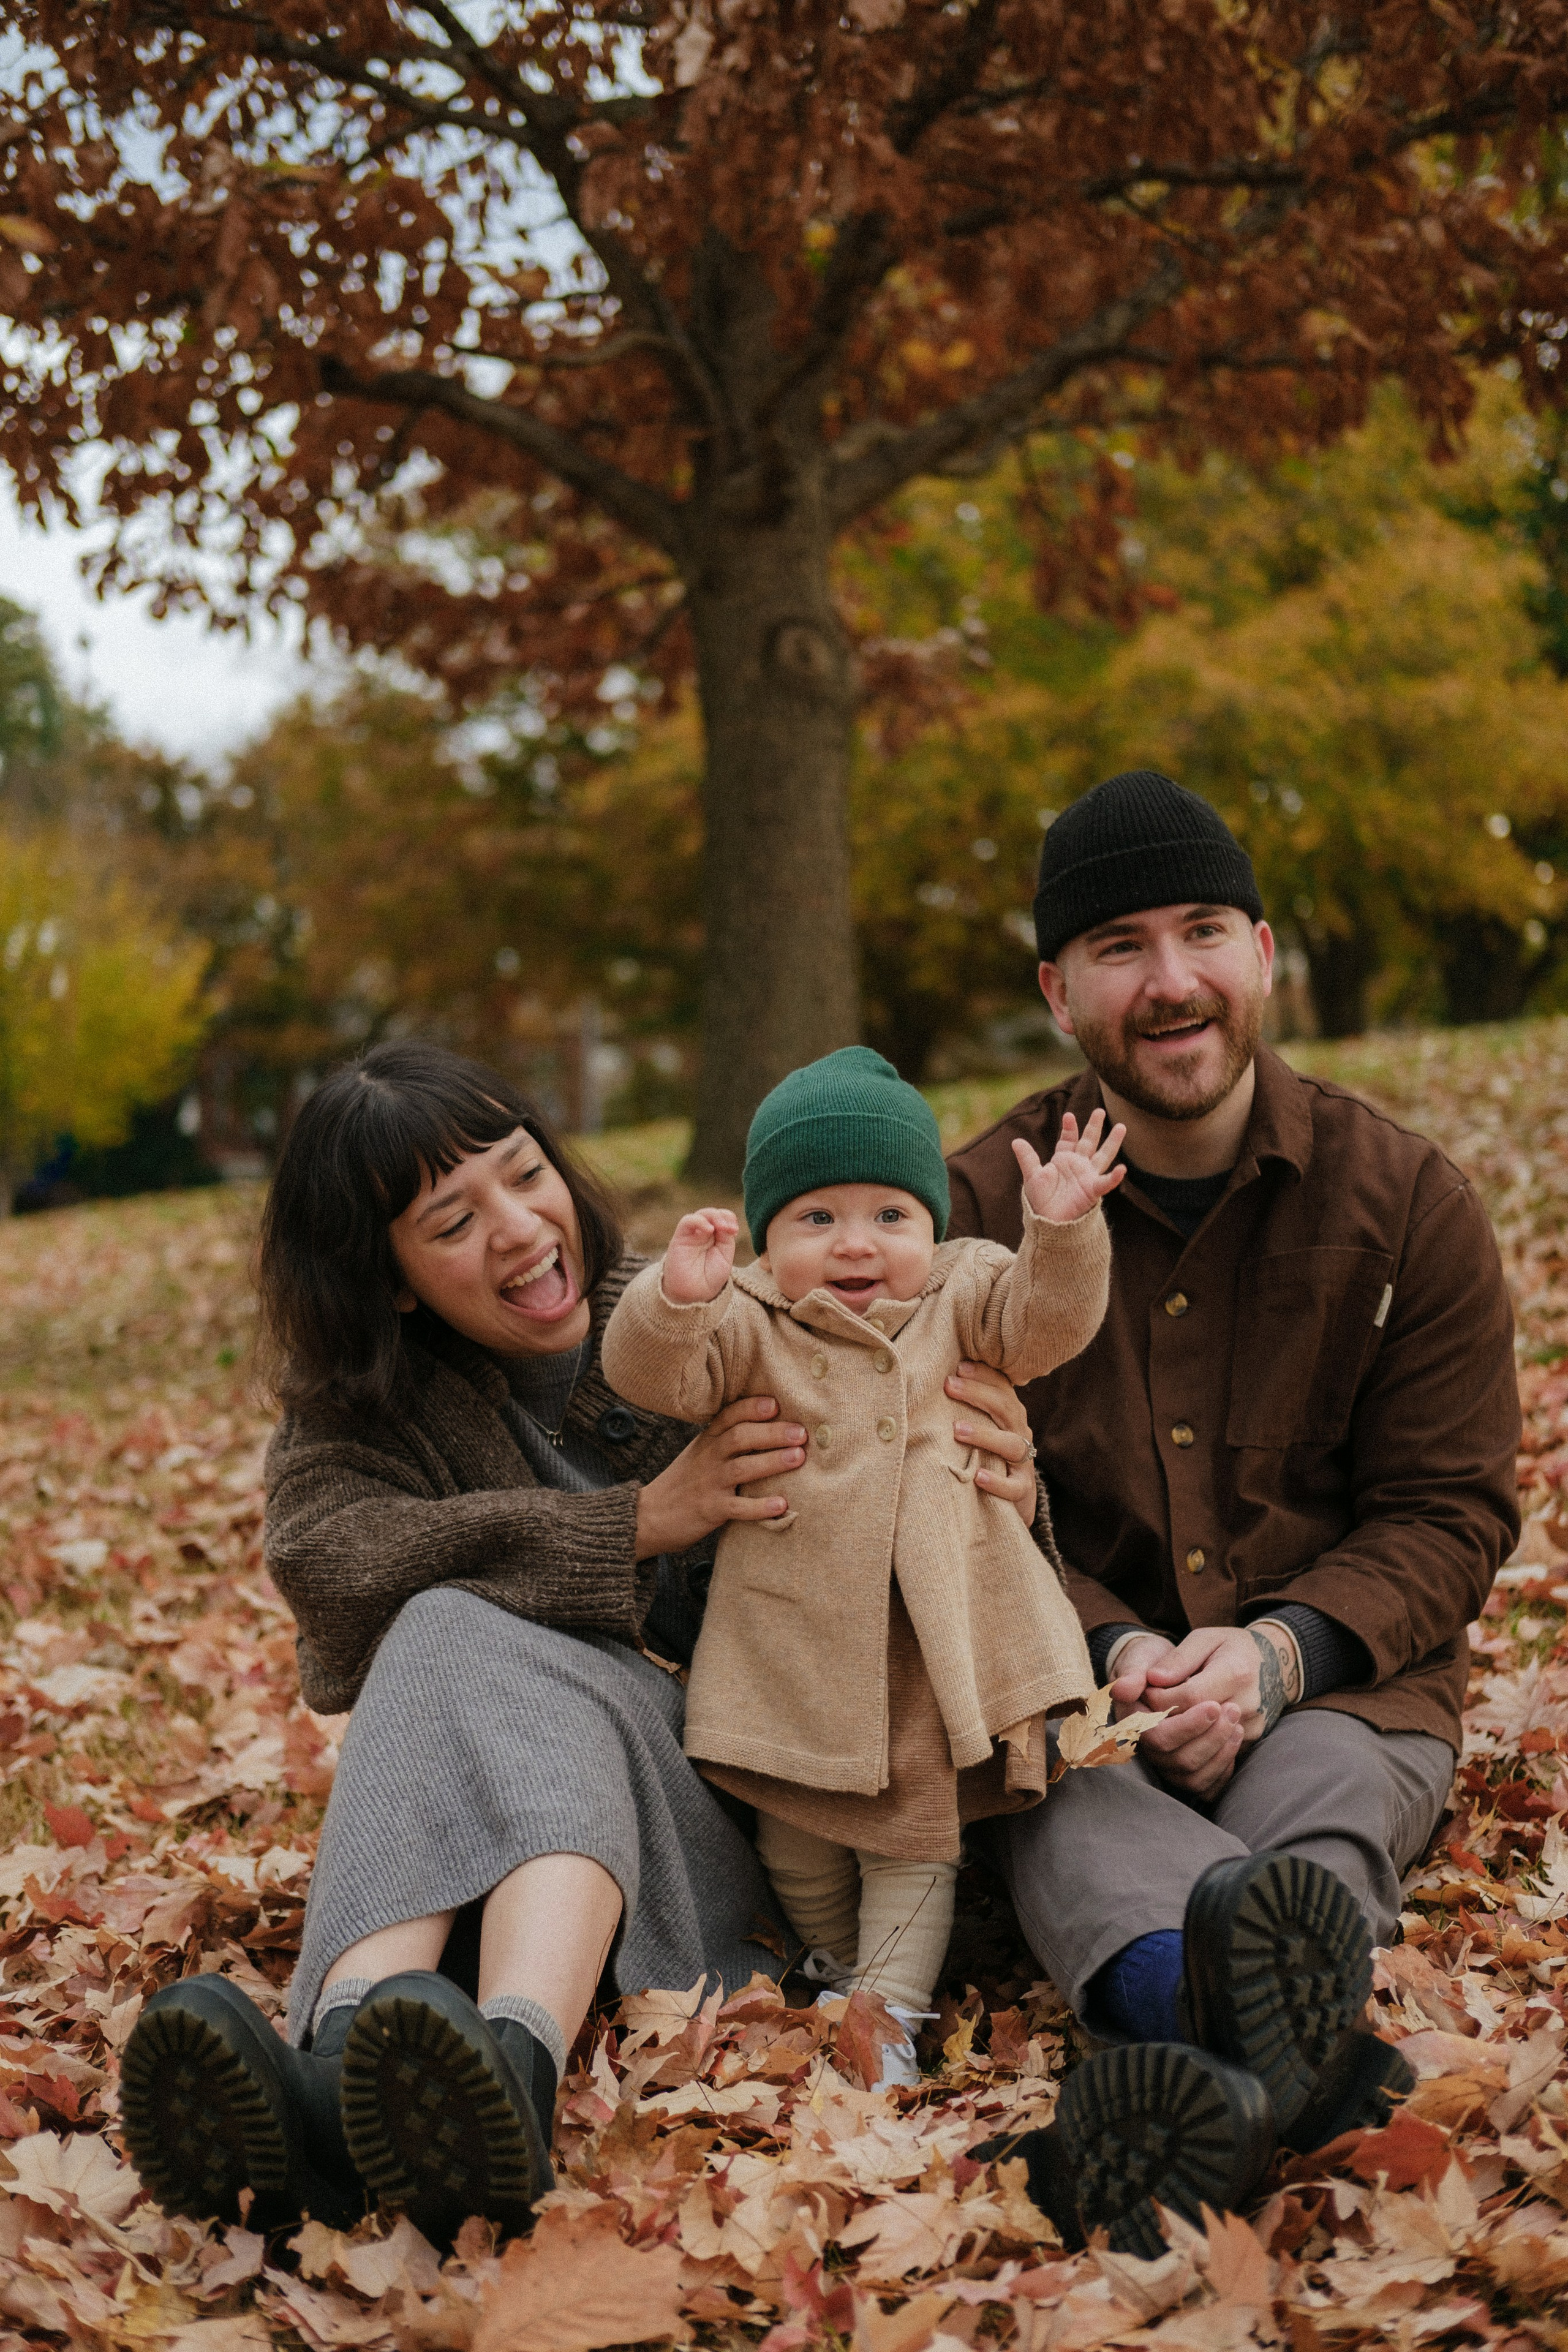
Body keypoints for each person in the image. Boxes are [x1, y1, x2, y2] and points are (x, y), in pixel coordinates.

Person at [116, 1041, 1042, 2244]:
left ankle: (492, 2060)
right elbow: (331, 1569)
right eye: (451, 1220)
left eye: (522, 1173)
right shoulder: (370, 1410)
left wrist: (1009, 1488)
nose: (514, 1228)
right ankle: (342, 2086)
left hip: (769, 1827)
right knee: (446, 1628)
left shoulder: (704, 1323)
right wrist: (636, 1524)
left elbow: (936, 1491)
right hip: (547, 1843)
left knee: (459, 1622)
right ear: (389, 1277)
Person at [947, 769, 1521, 2253]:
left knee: (1320, 1799)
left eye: (1202, 931)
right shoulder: (964, 1220)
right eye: (1118, 947)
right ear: (1056, 992)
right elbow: (951, 1509)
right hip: (1072, 1697)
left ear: (1262, 953)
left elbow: (1447, 1508)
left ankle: (1186, 2069)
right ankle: (1300, 2062)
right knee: (1061, 1799)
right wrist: (1117, 1651)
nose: (1169, 981)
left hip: (1337, 1685)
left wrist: (1272, 1658)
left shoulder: (1406, 1202)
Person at [601, 1046, 1120, 2082]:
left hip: (928, 1645)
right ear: (765, 1237)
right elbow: (655, 1376)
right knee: (793, 1837)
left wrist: (1061, 1230)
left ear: (932, 1226)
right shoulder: (751, 1318)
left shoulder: (965, 1292)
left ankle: (886, 2020)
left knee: (911, 1841)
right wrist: (676, 1297)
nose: (856, 1246)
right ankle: (838, 1969)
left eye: (891, 1216)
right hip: (788, 1643)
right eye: (816, 1218)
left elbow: (1051, 1322)